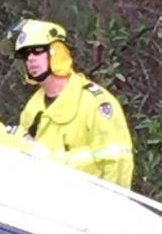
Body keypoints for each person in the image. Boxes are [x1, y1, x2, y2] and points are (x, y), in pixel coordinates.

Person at [9, 19, 134, 188]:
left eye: (37, 51)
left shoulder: (96, 102)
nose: (30, 59)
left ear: (57, 52)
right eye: (25, 54)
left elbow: (118, 162)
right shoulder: (32, 109)